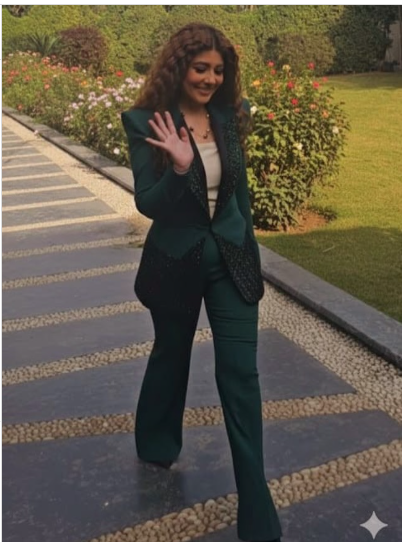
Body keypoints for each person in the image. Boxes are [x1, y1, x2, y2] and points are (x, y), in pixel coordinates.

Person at [121, 22, 282, 542]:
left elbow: (240, 195)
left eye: (218, 70)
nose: (210, 78)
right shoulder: (146, 121)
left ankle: (257, 508)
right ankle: (156, 440)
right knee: (172, 354)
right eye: (200, 68)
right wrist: (178, 168)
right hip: (176, 260)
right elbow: (148, 202)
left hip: (231, 260)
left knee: (241, 376)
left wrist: (250, 253)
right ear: (179, 67)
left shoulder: (231, 115)